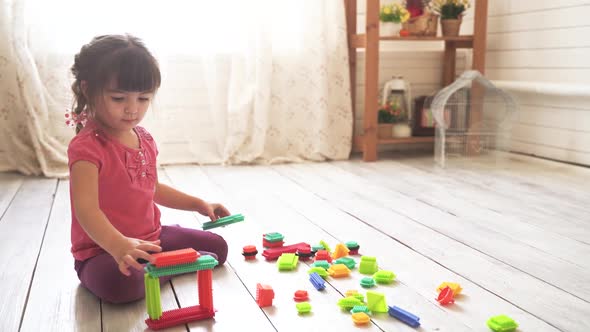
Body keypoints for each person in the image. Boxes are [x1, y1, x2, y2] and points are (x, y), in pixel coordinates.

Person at [67, 34, 229, 304]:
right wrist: (118, 246)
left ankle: (159, 266)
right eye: (118, 98)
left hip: (152, 237)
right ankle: (171, 267)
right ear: (88, 89)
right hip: (102, 252)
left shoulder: (143, 137)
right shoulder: (86, 148)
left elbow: (151, 187)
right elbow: (86, 210)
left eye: (143, 98)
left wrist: (198, 204)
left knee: (219, 247)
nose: (132, 109)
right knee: (123, 285)